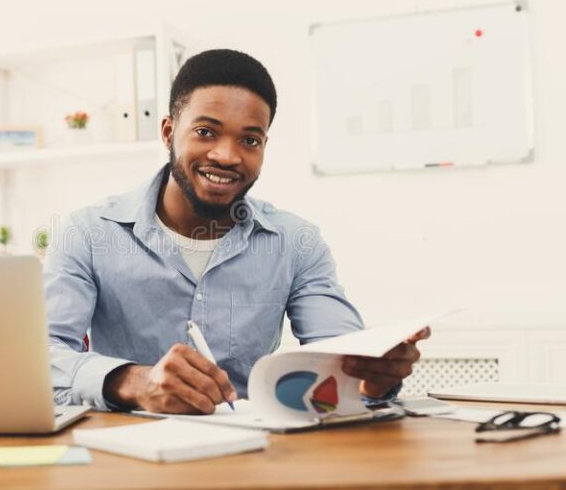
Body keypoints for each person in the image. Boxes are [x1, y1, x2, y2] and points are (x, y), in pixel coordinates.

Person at [44, 49, 428, 414]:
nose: (227, 156)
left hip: (255, 456)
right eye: (206, 132)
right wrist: (133, 381)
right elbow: (40, 359)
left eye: (249, 140)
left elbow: (344, 358)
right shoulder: (87, 233)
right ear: (167, 132)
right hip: (127, 458)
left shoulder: (296, 243)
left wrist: (373, 379)